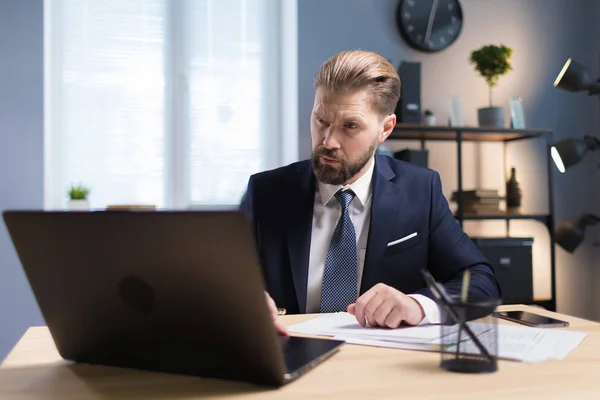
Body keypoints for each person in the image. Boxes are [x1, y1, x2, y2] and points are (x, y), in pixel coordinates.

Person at [241, 50, 500, 335]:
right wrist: (238, 298)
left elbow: (481, 282)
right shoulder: (266, 192)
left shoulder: (420, 191)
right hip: (291, 356)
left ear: (385, 129)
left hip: (384, 365)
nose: (328, 141)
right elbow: (216, 279)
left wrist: (417, 305)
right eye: (321, 121)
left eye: (350, 126)